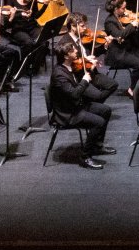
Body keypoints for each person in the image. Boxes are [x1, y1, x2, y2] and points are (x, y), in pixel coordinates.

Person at [49, 40, 115, 169]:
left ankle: (97, 145)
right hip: (67, 113)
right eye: (73, 50)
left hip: (75, 106)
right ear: (66, 56)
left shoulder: (70, 66)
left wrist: (88, 67)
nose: (76, 51)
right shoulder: (59, 75)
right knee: (98, 122)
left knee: (105, 110)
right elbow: (74, 94)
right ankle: (85, 157)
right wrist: (84, 81)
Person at [58, 13, 119, 98]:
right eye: (82, 26)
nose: (85, 28)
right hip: (79, 77)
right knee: (98, 96)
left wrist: (105, 46)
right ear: (72, 26)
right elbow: (70, 64)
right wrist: (86, 60)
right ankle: (89, 104)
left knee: (113, 84)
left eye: (85, 25)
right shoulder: (65, 43)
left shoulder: (83, 37)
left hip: (91, 72)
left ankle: (93, 104)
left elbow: (93, 52)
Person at [103, 0, 139, 92]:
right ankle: (132, 89)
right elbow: (119, 36)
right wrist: (132, 25)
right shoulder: (110, 21)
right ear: (115, 9)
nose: (125, 10)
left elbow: (133, 34)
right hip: (117, 53)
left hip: (129, 49)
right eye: (123, 8)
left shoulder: (124, 18)